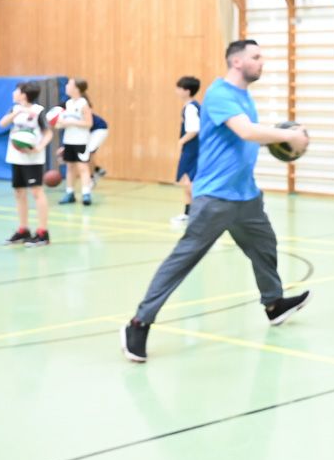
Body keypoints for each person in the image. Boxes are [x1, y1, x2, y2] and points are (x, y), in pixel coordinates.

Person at [121, 40, 310, 363]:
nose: (262, 62)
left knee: (264, 247)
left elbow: (245, 140)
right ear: (237, 62)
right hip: (216, 198)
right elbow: (246, 132)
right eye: (256, 57)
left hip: (245, 196)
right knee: (183, 259)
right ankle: (139, 322)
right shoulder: (220, 94)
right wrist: (289, 136)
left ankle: (274, 304)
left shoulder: (243, 97)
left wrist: (276, 141)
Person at [0, 82, 53, 246]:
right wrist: (16, 113)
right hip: (16, 157)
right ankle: (23, 229)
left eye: (17, 90)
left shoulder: (38, 111)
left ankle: (43, 232)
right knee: (19, 192)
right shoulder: (15, 109)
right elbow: (2, 123)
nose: (14, 92)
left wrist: (39, 147)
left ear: (23, 94)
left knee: (37, 192)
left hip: (33, 159)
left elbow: (48, 133)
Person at [56, 78, 95, 206]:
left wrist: (70, 122)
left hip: (81, 141)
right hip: (68, 140)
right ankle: (70, 193)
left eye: (69, 84)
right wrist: (59, 124)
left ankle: (86, 193)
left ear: (76, 88)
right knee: (70, 167)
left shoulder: (83, 103)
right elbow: (63, 124)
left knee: (83, 168)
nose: (66, 86)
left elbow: (89, 123)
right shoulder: (68, 104)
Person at [172, 75, 202, 225]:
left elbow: (194, 129)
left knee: (190, 182)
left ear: (187, 91)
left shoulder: (191, 108)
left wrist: (181, 141)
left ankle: (199, 212)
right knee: (187, 181)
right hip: (192, 148)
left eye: (179, 88)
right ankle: (188, 212)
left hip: (193, 148)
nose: (176, 91)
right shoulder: (190, 106)